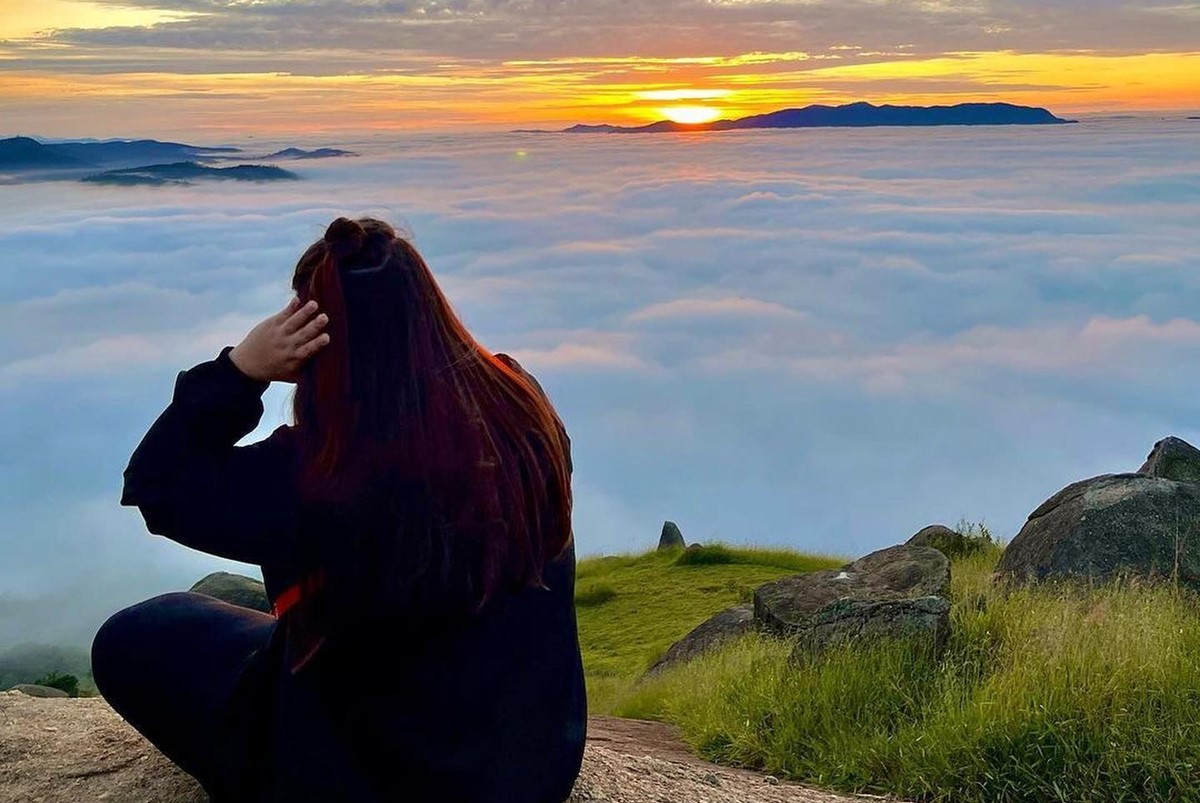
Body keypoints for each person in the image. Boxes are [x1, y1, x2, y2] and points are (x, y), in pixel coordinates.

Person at [91, 217, 587, 803]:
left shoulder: (318, 474)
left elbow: (156, 484)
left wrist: (238, 371)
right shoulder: (521, 405)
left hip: (362, 778)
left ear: (312, 338)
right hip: (532, 769)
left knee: (135, 635)